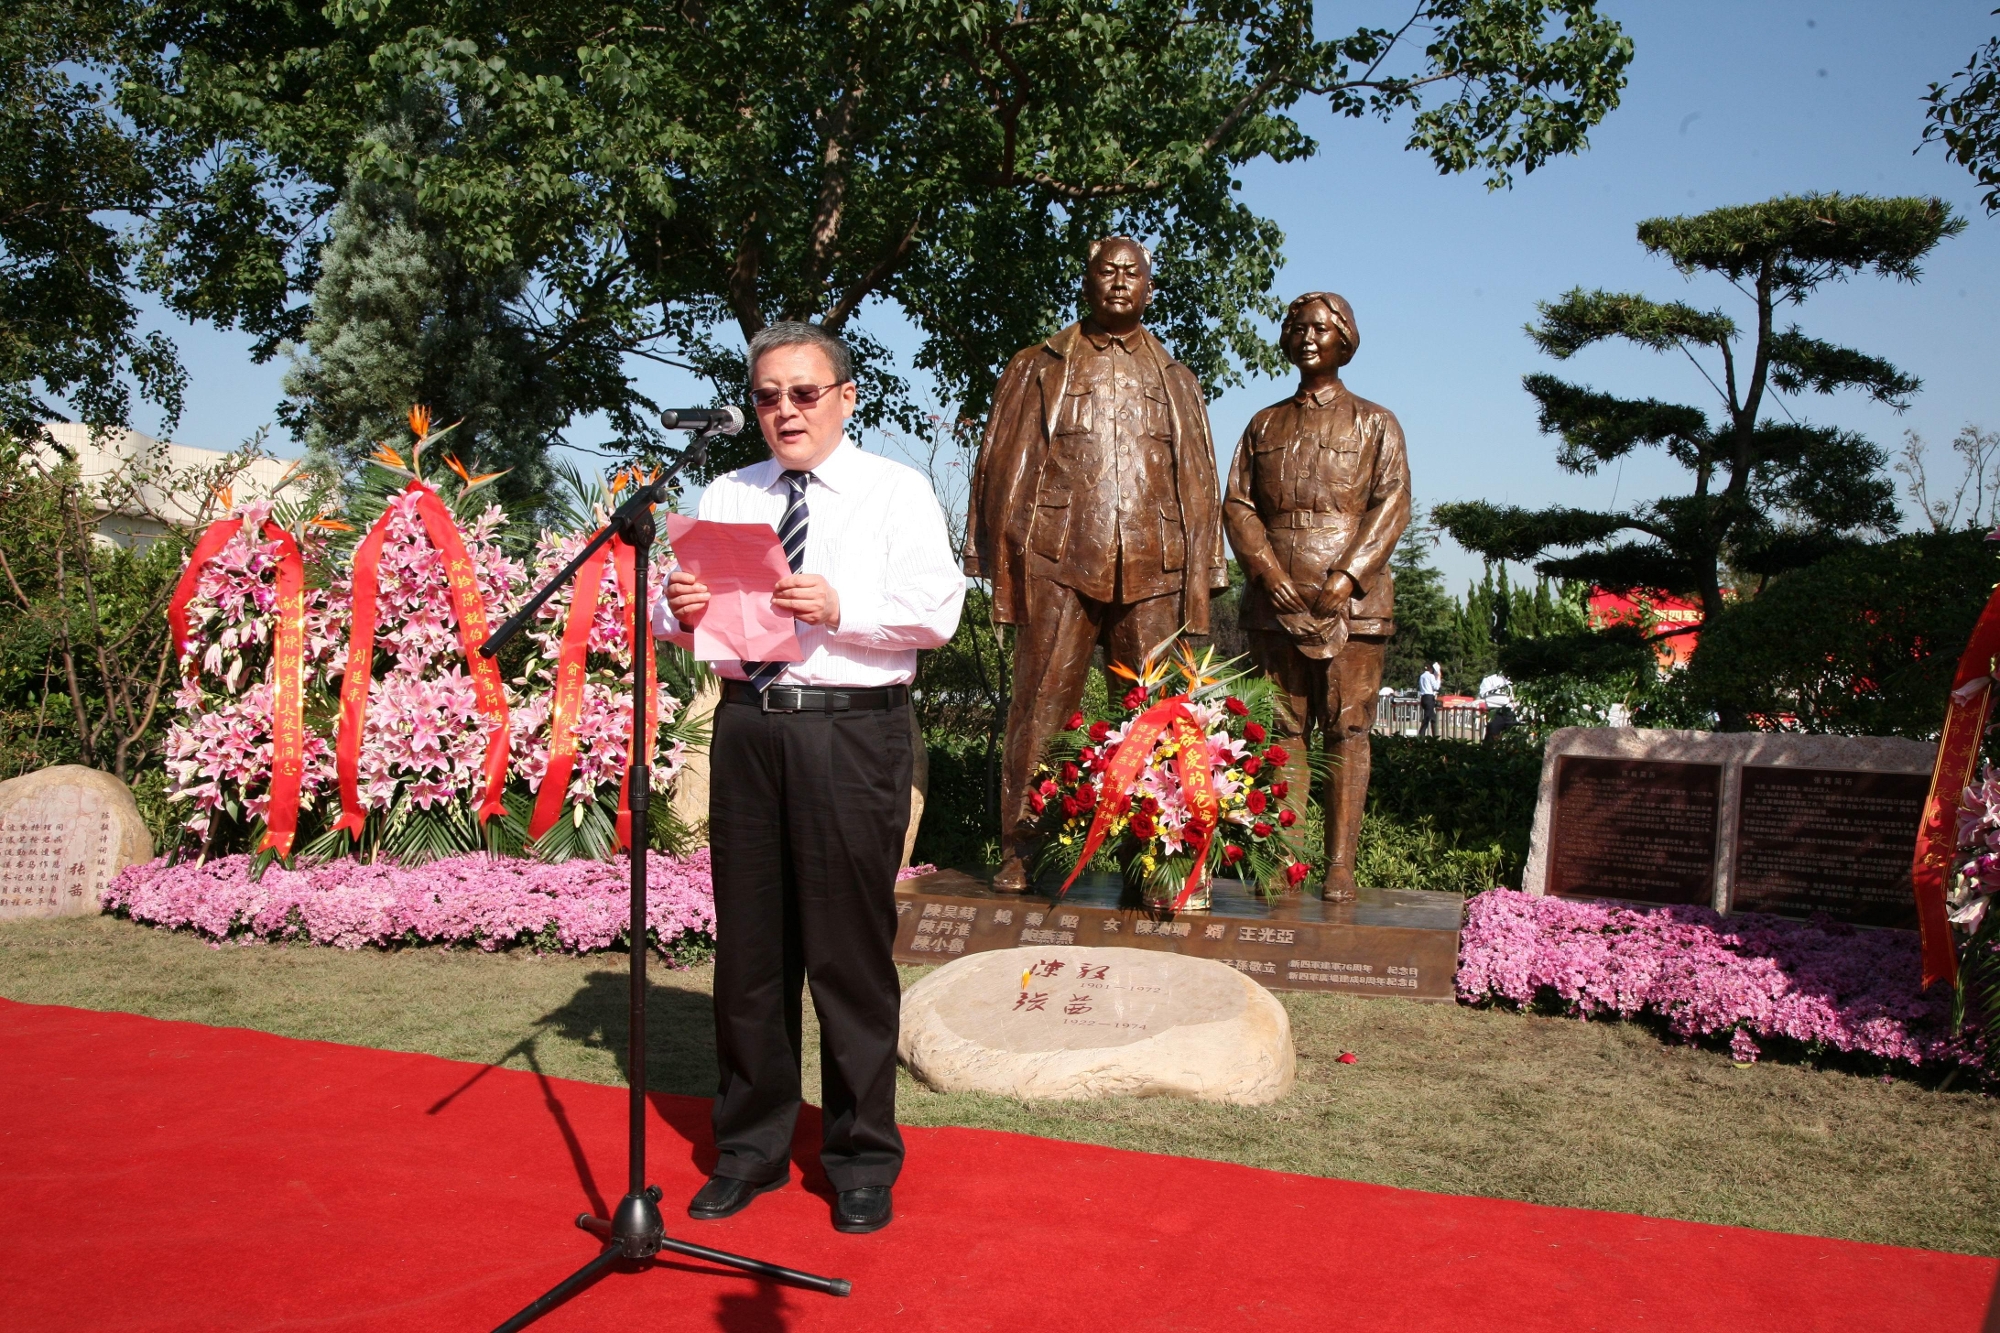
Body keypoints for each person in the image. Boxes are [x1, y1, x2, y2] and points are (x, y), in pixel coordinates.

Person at [661, 321, 965, 1235]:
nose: (785, 411)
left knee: (847, 954)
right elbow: (684, 616)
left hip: (851, 731)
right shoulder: (729, 490)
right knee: (751, 953)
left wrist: (842, 606)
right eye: (767, 396)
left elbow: (938, 609)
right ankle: (749, 1148)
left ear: (845, 397)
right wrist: (677, 608)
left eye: (803, 392)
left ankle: (861, 1156)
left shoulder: (895, 490)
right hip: (749, 727)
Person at [965, 236, 1228, 891]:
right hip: (1058, 557)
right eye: (1106, 271)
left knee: (1154, 716)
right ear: (1086, 282)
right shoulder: (1040, 364)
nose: (1118, 281)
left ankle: (1152, 857)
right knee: (1039, 707)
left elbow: (1200, 478)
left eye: (1131, 273)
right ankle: (1022, 847)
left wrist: (1205, 568)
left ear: (1149, 288)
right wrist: (999, 553)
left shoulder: (1176, 377)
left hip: (1154, 562)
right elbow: (1002, 459)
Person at [1221, 291, 1411, 900]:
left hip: (1353, 604)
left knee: (1348, 729)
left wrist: (1347, 576)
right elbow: (1238, 505)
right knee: (1282, 730)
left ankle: (1339, 866)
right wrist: (1267, 574)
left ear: (1344, 341)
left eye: (1321, 329)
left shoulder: (1376, 422)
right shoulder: (1263, 424)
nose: (1308, 338)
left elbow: (1392, 504)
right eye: (1298, 328)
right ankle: (1284, 859)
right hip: (1276, 601)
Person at [1477, 670, 1517, 742]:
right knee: (1492, 737)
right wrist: (1507, 700)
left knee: (1514, 737)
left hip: (1511, 713)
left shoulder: (1515, 679)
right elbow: (1484, 695)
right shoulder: (1490, 679)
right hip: (1495, 713)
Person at [1418, 662, 1442, 738]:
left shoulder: (1421, 676)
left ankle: (1434, 736)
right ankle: (1421, 736)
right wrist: (1438, 677)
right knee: (1427, 718)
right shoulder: (1430, 676)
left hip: (1423, 698)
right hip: (1429, 698)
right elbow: (1436, 687)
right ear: (1431, 669)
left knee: (1433, 718)